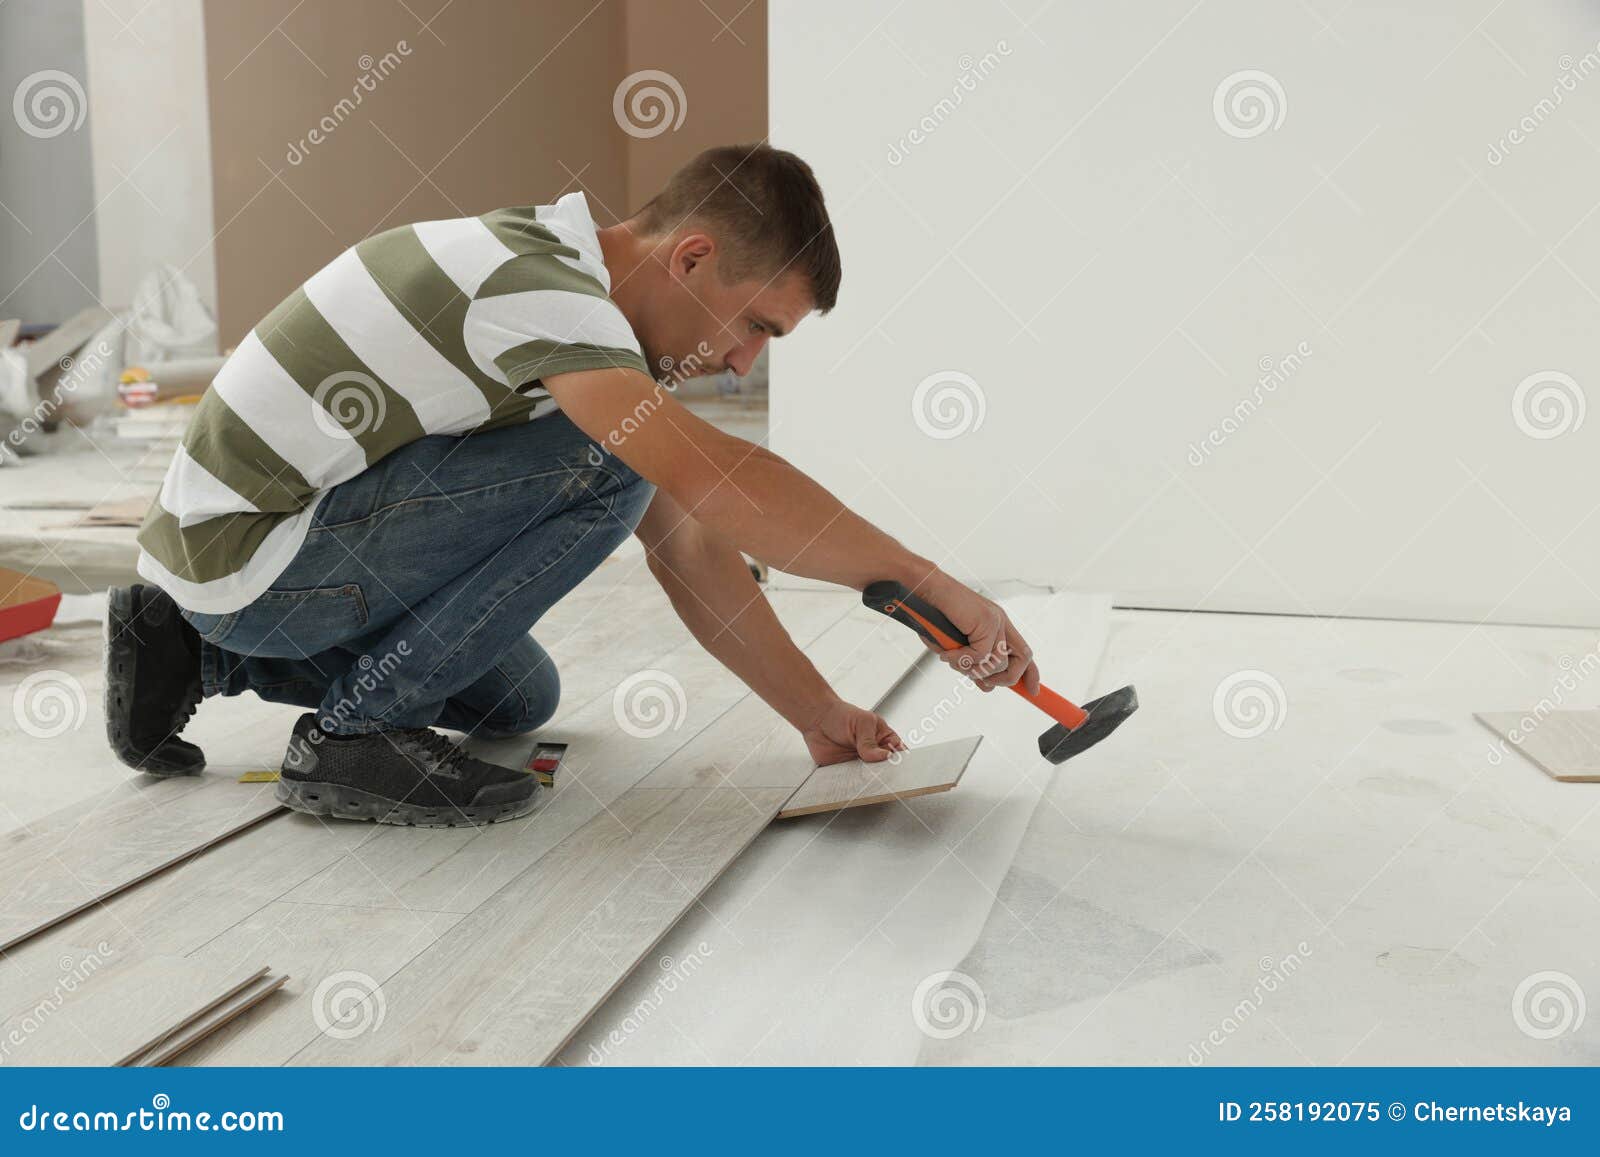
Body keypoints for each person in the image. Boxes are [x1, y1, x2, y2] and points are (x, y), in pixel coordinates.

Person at [105, 143, 1037, 827]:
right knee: (617, 462)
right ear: (694, 257)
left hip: (246, 567)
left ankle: (192, 652)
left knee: (517, 702)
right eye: (756, 326)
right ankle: (352, 739)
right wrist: (926, 579)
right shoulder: (543, 291)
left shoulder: (573, 304)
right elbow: (717, 483)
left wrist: (821, 717)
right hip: (255, 555)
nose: (744, 363)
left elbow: (692, 544)